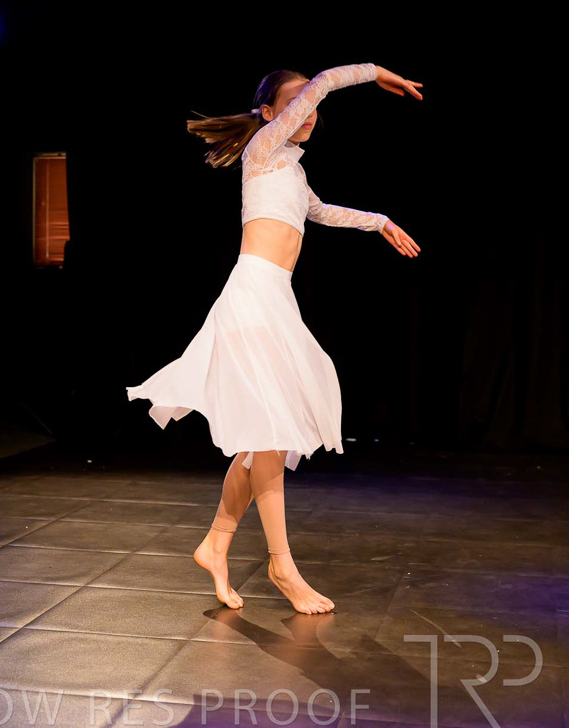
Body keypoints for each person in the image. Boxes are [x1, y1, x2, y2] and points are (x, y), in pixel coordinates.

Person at [127, 62, 422, 614]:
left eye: (309, 105)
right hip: (252, 295)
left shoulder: (291, 171)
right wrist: (373, 73)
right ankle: (282, 565)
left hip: (275, 299)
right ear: (269, 114)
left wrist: (379, 220)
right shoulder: (263, 148)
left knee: (262, 442)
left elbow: (322, 212)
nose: (309, 111)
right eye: (297, 102)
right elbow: (325, 82)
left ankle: (216, 544)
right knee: (269, 434)